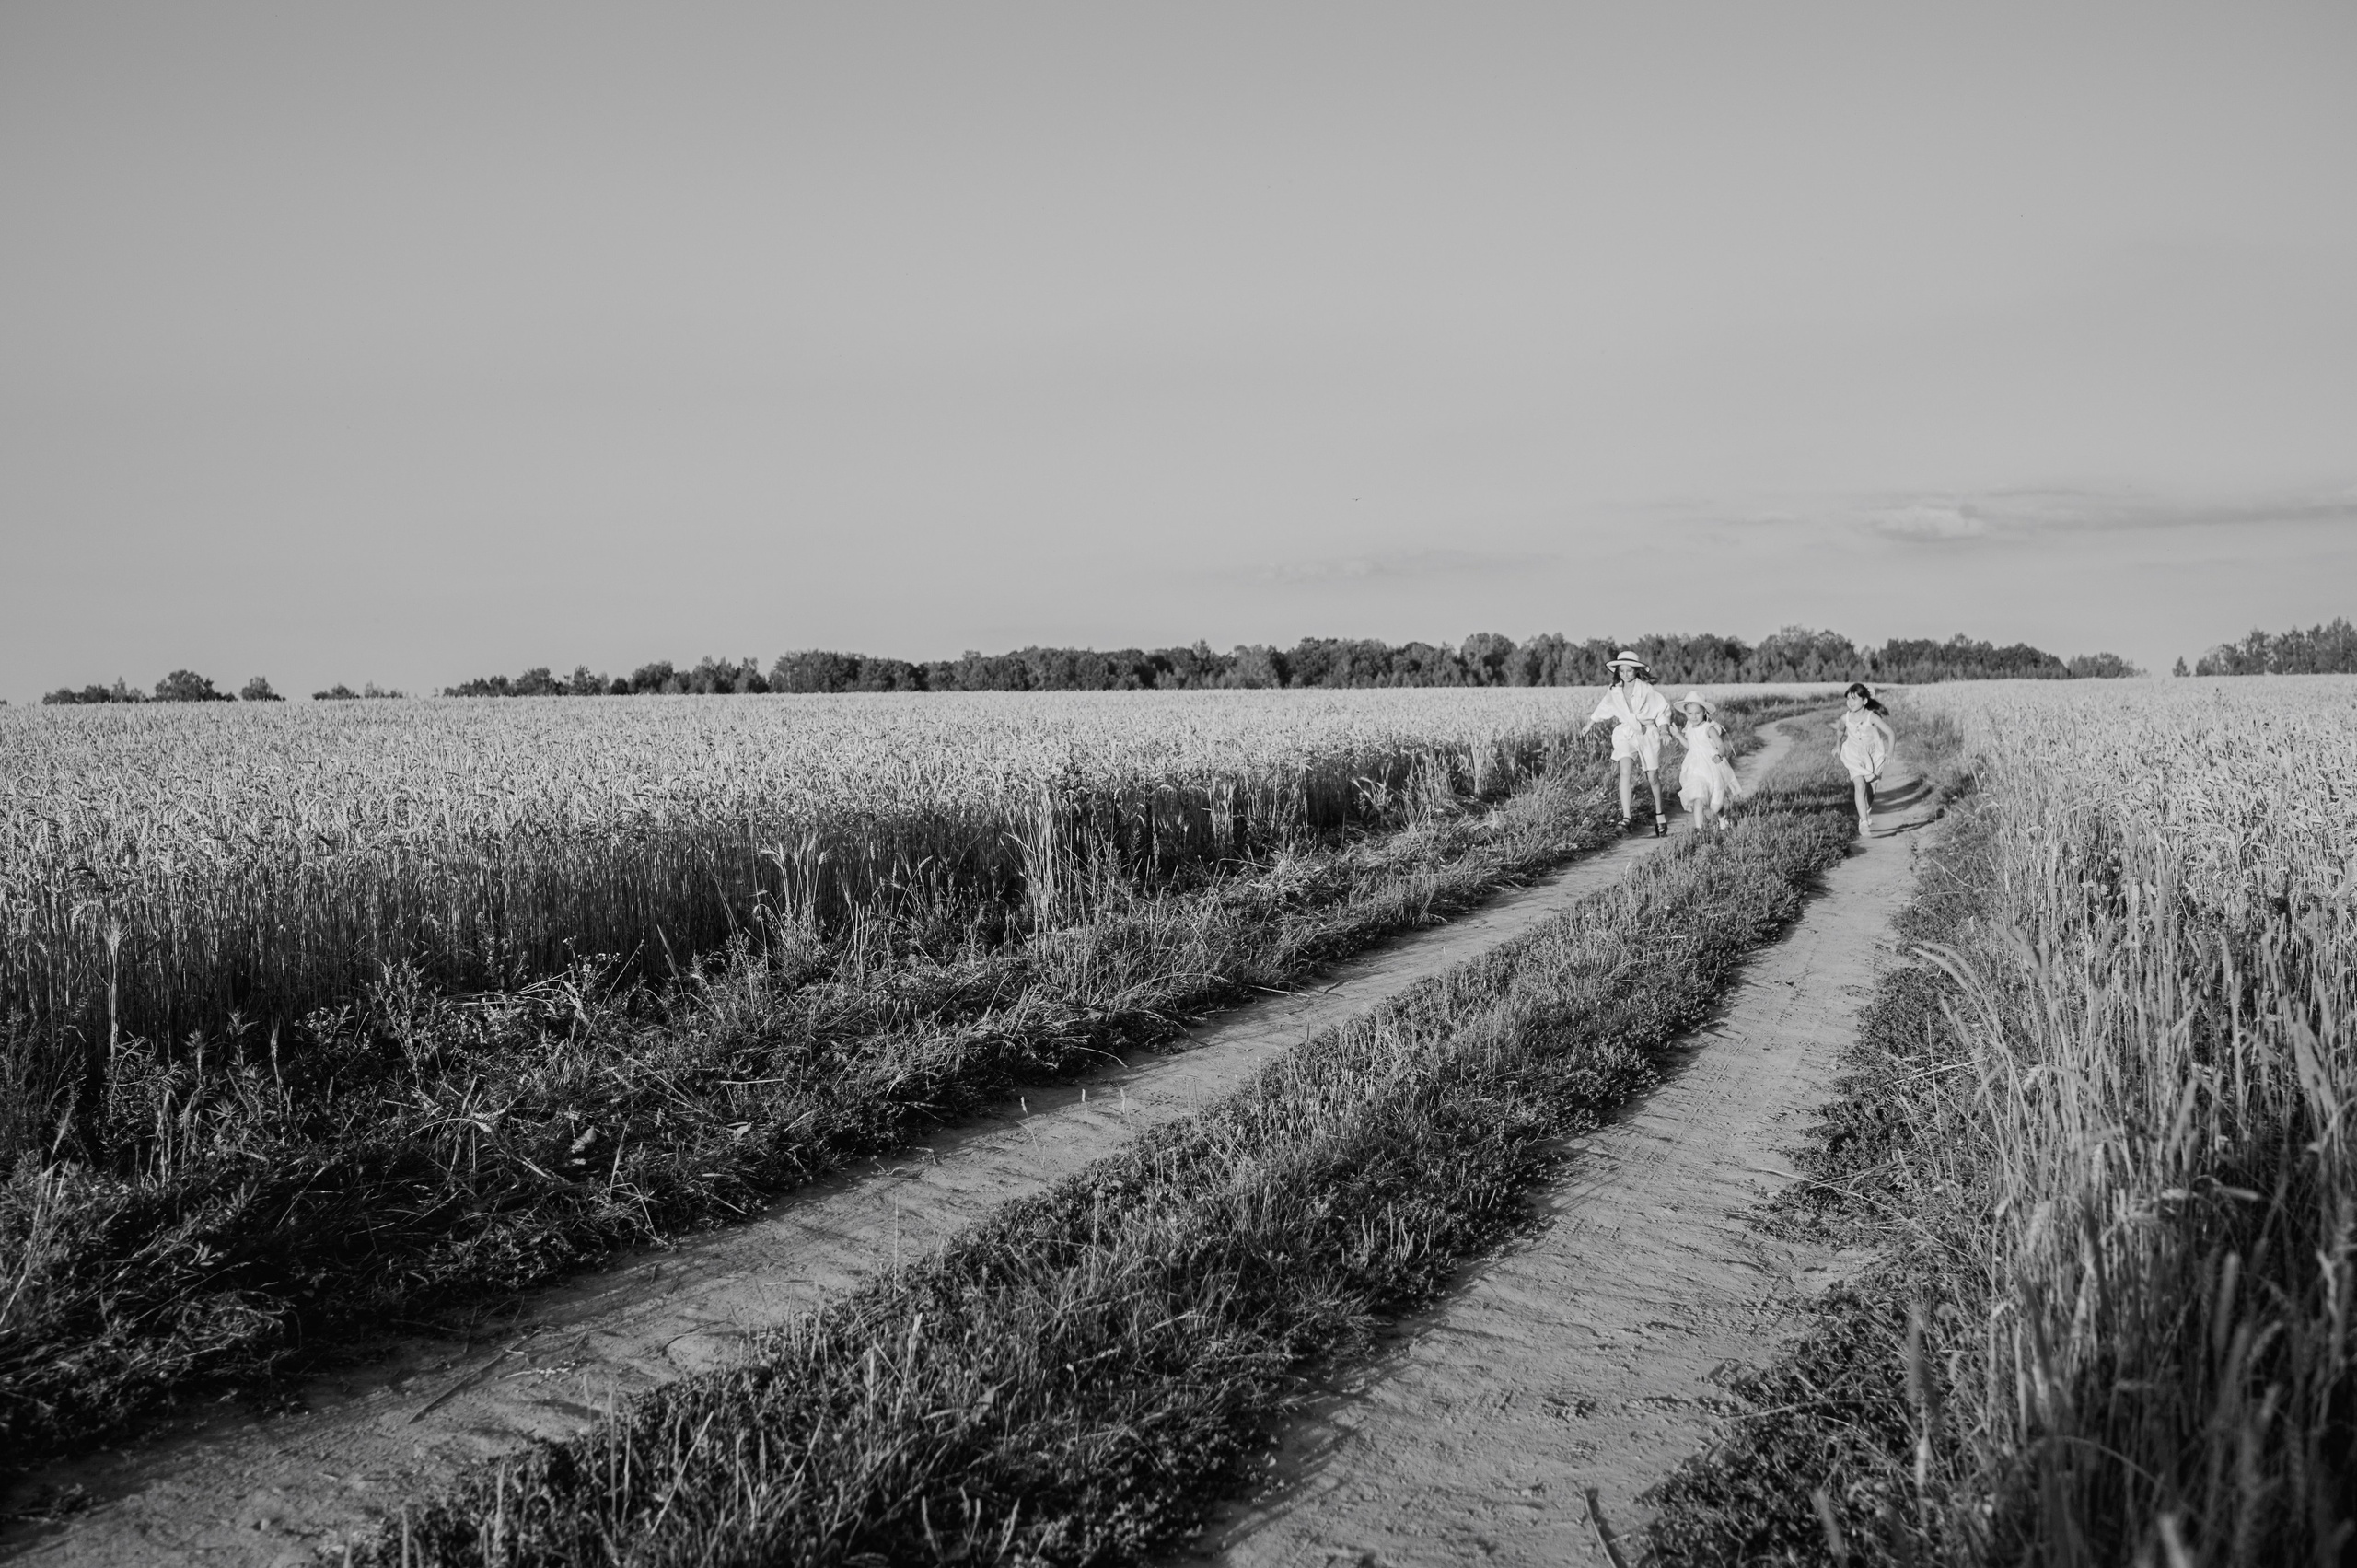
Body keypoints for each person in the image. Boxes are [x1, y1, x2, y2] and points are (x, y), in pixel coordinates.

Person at [1580, 651, 1672, 835]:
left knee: (1652, 777)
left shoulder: (1646, 689)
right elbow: (1604, 706)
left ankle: (1659, 813)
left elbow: (1662, 710)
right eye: (1622, 671)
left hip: (1647, 733)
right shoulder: (1614, 690)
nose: (1625, 674)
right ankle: (1626, 818)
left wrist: (1664, 730)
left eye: (1629, 671)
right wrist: (1591, 723)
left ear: (1637, 671)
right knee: (1624, 771)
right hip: (1625, 733)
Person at [1670, 691, 1742, 832]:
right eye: (1690, 714)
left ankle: (1722, 818)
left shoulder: (1708, 729)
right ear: (1685, 714)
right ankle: (1699, 829)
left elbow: (1721, 746)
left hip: (1710, 766)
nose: (1694, 716)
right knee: (1698, 797)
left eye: (1697, 713)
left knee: (1715, 802)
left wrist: (1720, 755)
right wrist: (1678, 735)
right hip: (1695, 767)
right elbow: (1690, 746)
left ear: (1704, 712)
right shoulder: (1689, 728)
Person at [1831, 681, 1895, 833]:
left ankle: (1865, 811)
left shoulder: (1871, 717)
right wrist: (1837, 745)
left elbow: (1890, 733)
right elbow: (1840, 731)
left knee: (1870, 791)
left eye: (1854, 699)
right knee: (1859, 785)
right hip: (1854, 754)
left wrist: (1890, 751)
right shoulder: (1844, 718)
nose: (1850, 702)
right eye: (1848, 699)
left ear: (1864, 701)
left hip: (1873, 756)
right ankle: (1864, 823)